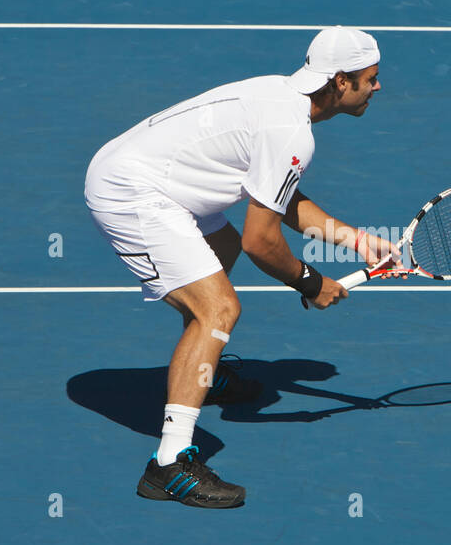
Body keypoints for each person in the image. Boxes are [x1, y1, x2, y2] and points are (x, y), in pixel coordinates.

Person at [84, 26, 396, 509]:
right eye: (370, 78)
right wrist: (312, 282)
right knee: (219, 309)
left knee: (219, 252)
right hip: (133, 191)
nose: (377, 87)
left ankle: (200, 373)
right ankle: (168, 465)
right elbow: (262, 240)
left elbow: (278, 196)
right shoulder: (290, 129)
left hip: (165, 179)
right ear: (340, 81)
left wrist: (356, 240)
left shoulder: (280, 96)